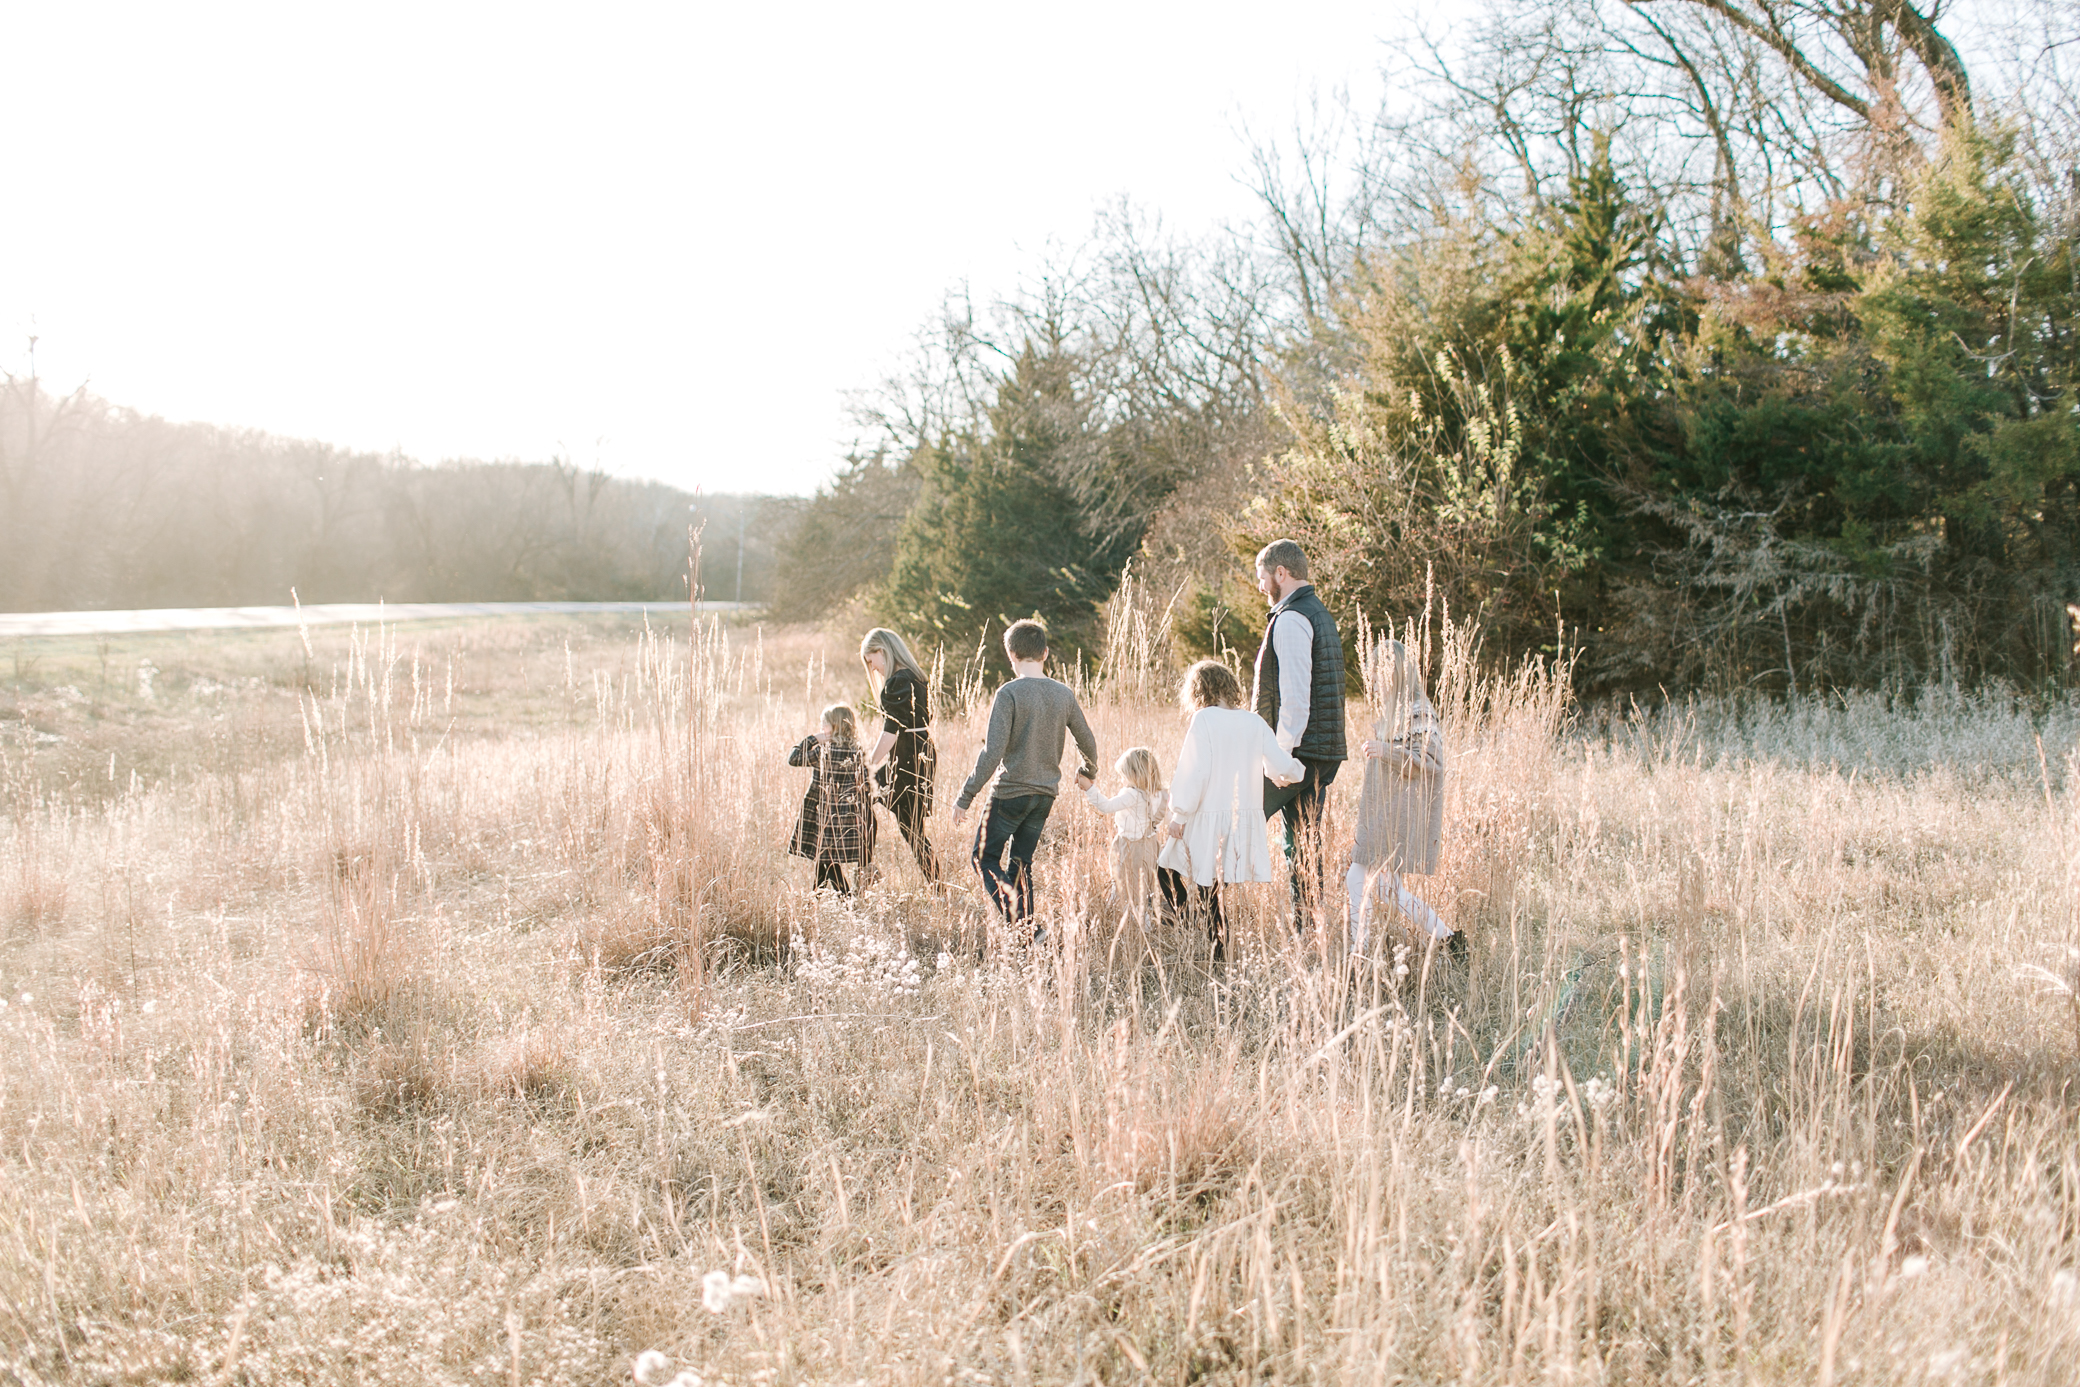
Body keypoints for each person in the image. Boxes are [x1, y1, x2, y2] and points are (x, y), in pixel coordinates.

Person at [952, 619, 1099, 941]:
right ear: (1045, 653)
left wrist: (965, 797)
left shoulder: (1009, 693)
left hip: (1010, 793)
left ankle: (1026, 927)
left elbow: (992, 753)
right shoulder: (1063, 694)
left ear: (1011, 655)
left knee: (983, 857)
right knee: (1021, 864)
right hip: (1044, 794)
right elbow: (1087, 740)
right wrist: (1089, 771)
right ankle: (1029, 936)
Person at [1159, 659, 1304, 961]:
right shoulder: (1254, 722)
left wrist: (1179, 815)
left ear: (1199, 690)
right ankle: (1216, 949)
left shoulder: (1204, 719)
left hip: (1205, 816)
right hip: (1240, 821)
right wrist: (1296, 772)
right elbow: (1279, 765)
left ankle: (1189, 922)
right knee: (1214, 891)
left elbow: (1193, 771)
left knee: (1166, 868)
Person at [1251, 538, 1348, 932]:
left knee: (1233, 820)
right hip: (1320, 750)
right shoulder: (1318, 612)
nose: (1260, 587)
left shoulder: (1291, 618)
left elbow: (1294, 701)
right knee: (1305, 843)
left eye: (1262, 578)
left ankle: (1200, 914)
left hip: (1298, 753)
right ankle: (1309, 930)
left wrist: (1279, 759)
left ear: (1281, 573)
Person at [1348, 637, 1464, 961]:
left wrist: (1384, 750)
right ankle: (1450, 939)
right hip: (1386, 813)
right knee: (1388, 889)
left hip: (1399, 815)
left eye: (1376, 672)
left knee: (1356, 877)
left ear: (1394, 673)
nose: (1371, 679)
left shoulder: (1418, 710)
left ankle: (1358, 955)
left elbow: (1432, 760)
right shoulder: (1395, 712)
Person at [859, 627, 941, 884]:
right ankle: (867, 867)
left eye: (871, 661)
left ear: (882, 651)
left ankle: (867, 867)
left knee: (912, 831)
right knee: (912, 830)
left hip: (906, 758)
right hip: (920, 753)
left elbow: (892, 732)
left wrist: (868, 763)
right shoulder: (916, 677)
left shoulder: (897, 682)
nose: (872, 669)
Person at [1082, 747, 1178, 925]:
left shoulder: (1132, 794)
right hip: (1150, 847)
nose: (1122, 780)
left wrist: (1089, 789)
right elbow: (1170, 819)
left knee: (1124, 885)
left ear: (1134, 774)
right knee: (1144, 888)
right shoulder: (1161, 794)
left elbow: (1106, 807)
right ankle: (1142, 918)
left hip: (1130, 847)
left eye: (1123, 775)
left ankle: (1134, 923)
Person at [786, 704, 875, 895]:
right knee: (825, 861)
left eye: (823, 723)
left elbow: (793, 759)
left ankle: (841, 902)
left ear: (834, 726)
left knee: (826, 861)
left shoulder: (823, 750)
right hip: (849, 815)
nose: (820, 727)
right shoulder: (858, 751)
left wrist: (813, 739)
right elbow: (866, 784)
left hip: (825, 814)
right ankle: (820, 903)